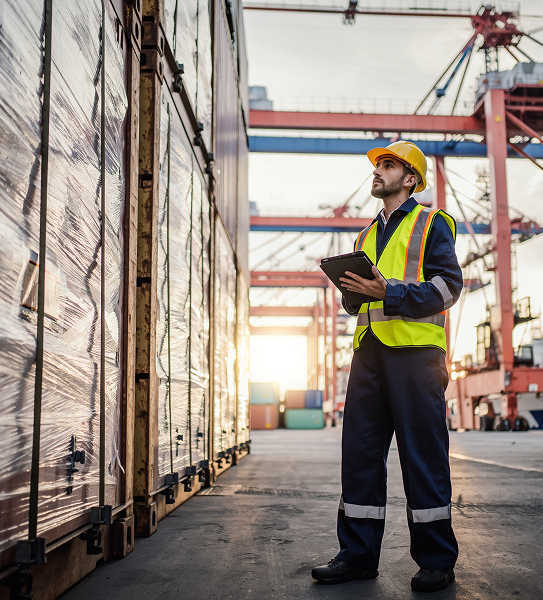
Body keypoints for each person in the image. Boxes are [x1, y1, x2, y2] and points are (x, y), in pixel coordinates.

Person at [311, 141, 462, 593]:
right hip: (369, 355)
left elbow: (448, 288)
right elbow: (363, 298)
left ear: (410, 179)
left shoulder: (433, 224)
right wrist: (351, 290)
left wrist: (387, 292)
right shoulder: (363, 236)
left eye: (389, 165)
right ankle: (357, 556)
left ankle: (436, 560)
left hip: (416, 356)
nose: (379, 171)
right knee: (358, 458)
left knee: (423, 458)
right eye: (378, 165)